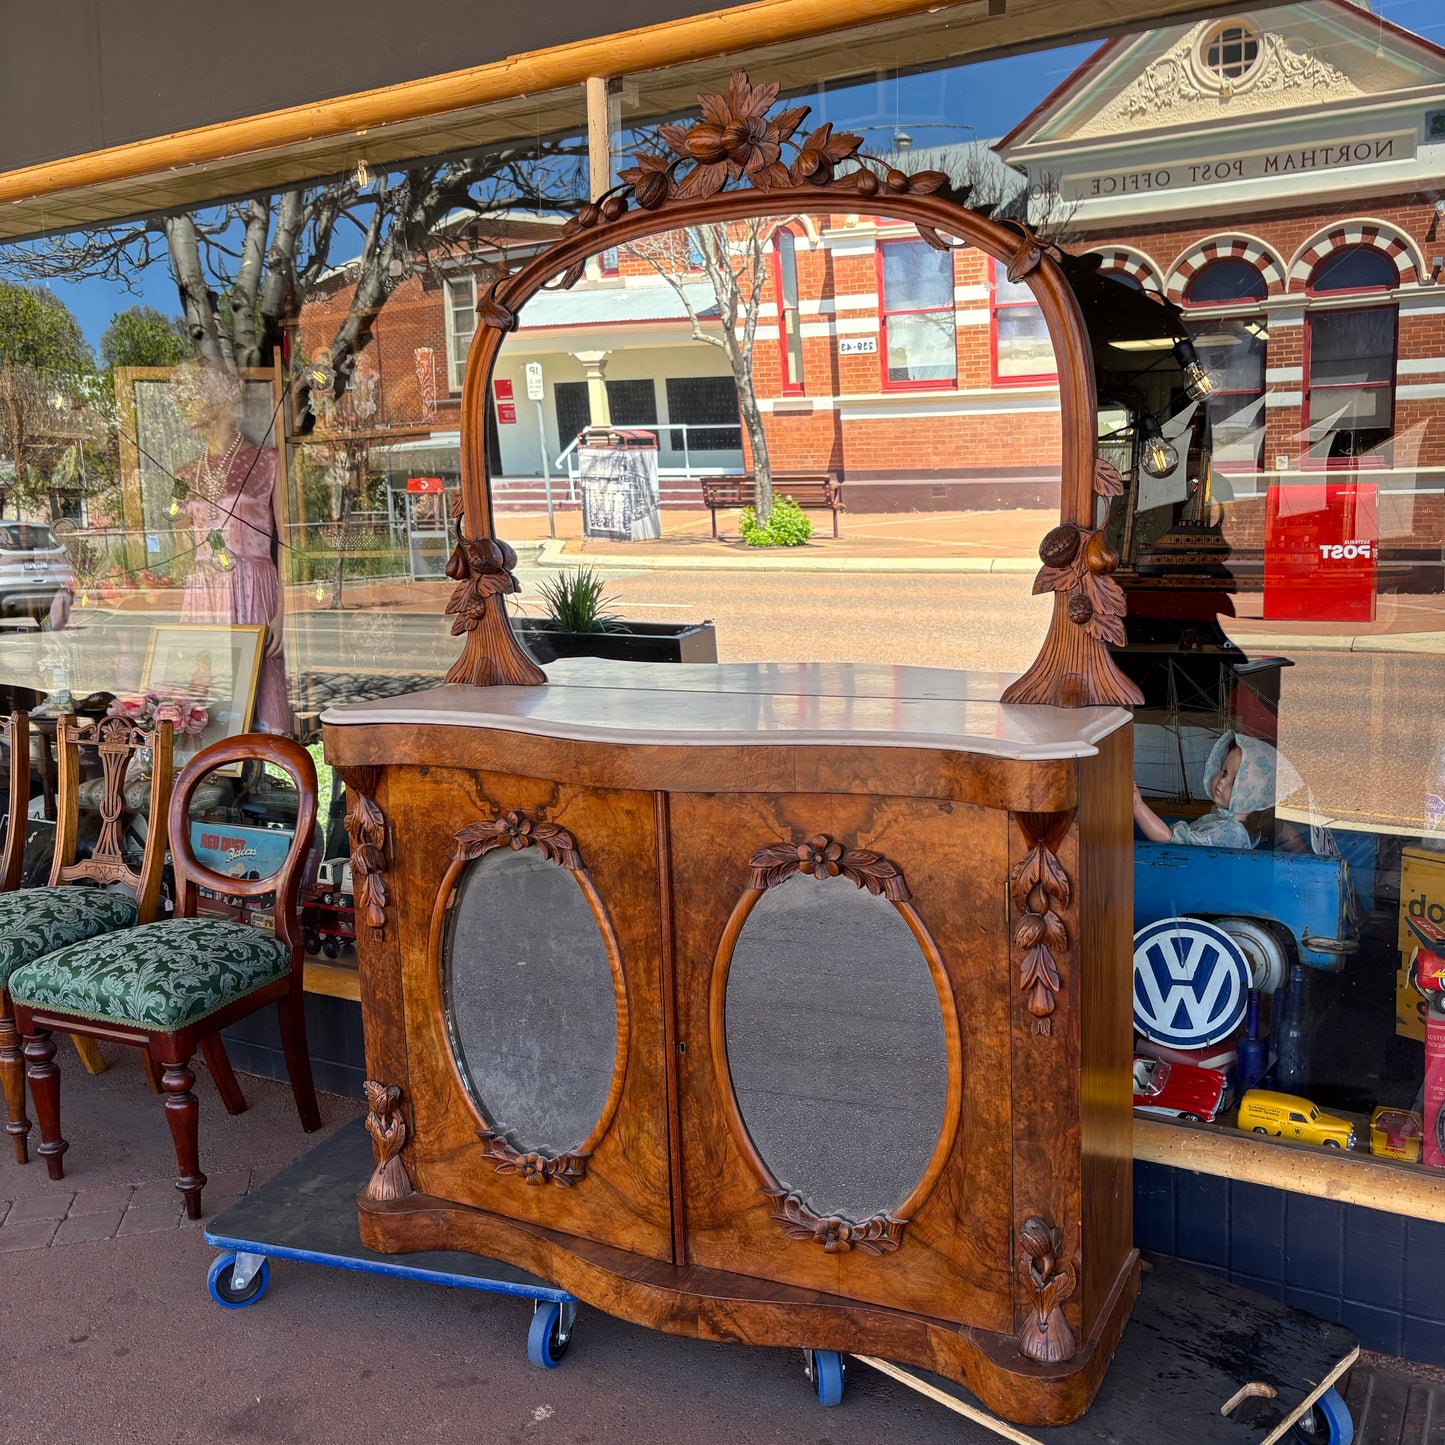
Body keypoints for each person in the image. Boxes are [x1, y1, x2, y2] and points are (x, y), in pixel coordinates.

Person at [170, 359, 293, 735]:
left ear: (219, 398)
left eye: (192, 394)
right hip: (202, 592)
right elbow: (179, 540)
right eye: (180, 396)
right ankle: (216, 779)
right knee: (208, 700)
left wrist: (285, 613)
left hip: (253, 588)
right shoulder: (184, 473)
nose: (183, 403)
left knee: (258, 693)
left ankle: (266, 779)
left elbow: (286, 542)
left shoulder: (267, 462)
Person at [1132, 729, 1278, 850]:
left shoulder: (1230, 834)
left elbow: (1168, 839)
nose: (1221, 781)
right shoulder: (1227, 819)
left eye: (1234, 783)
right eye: (1225, 772)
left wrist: (1138, 806)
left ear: (1253, 797)